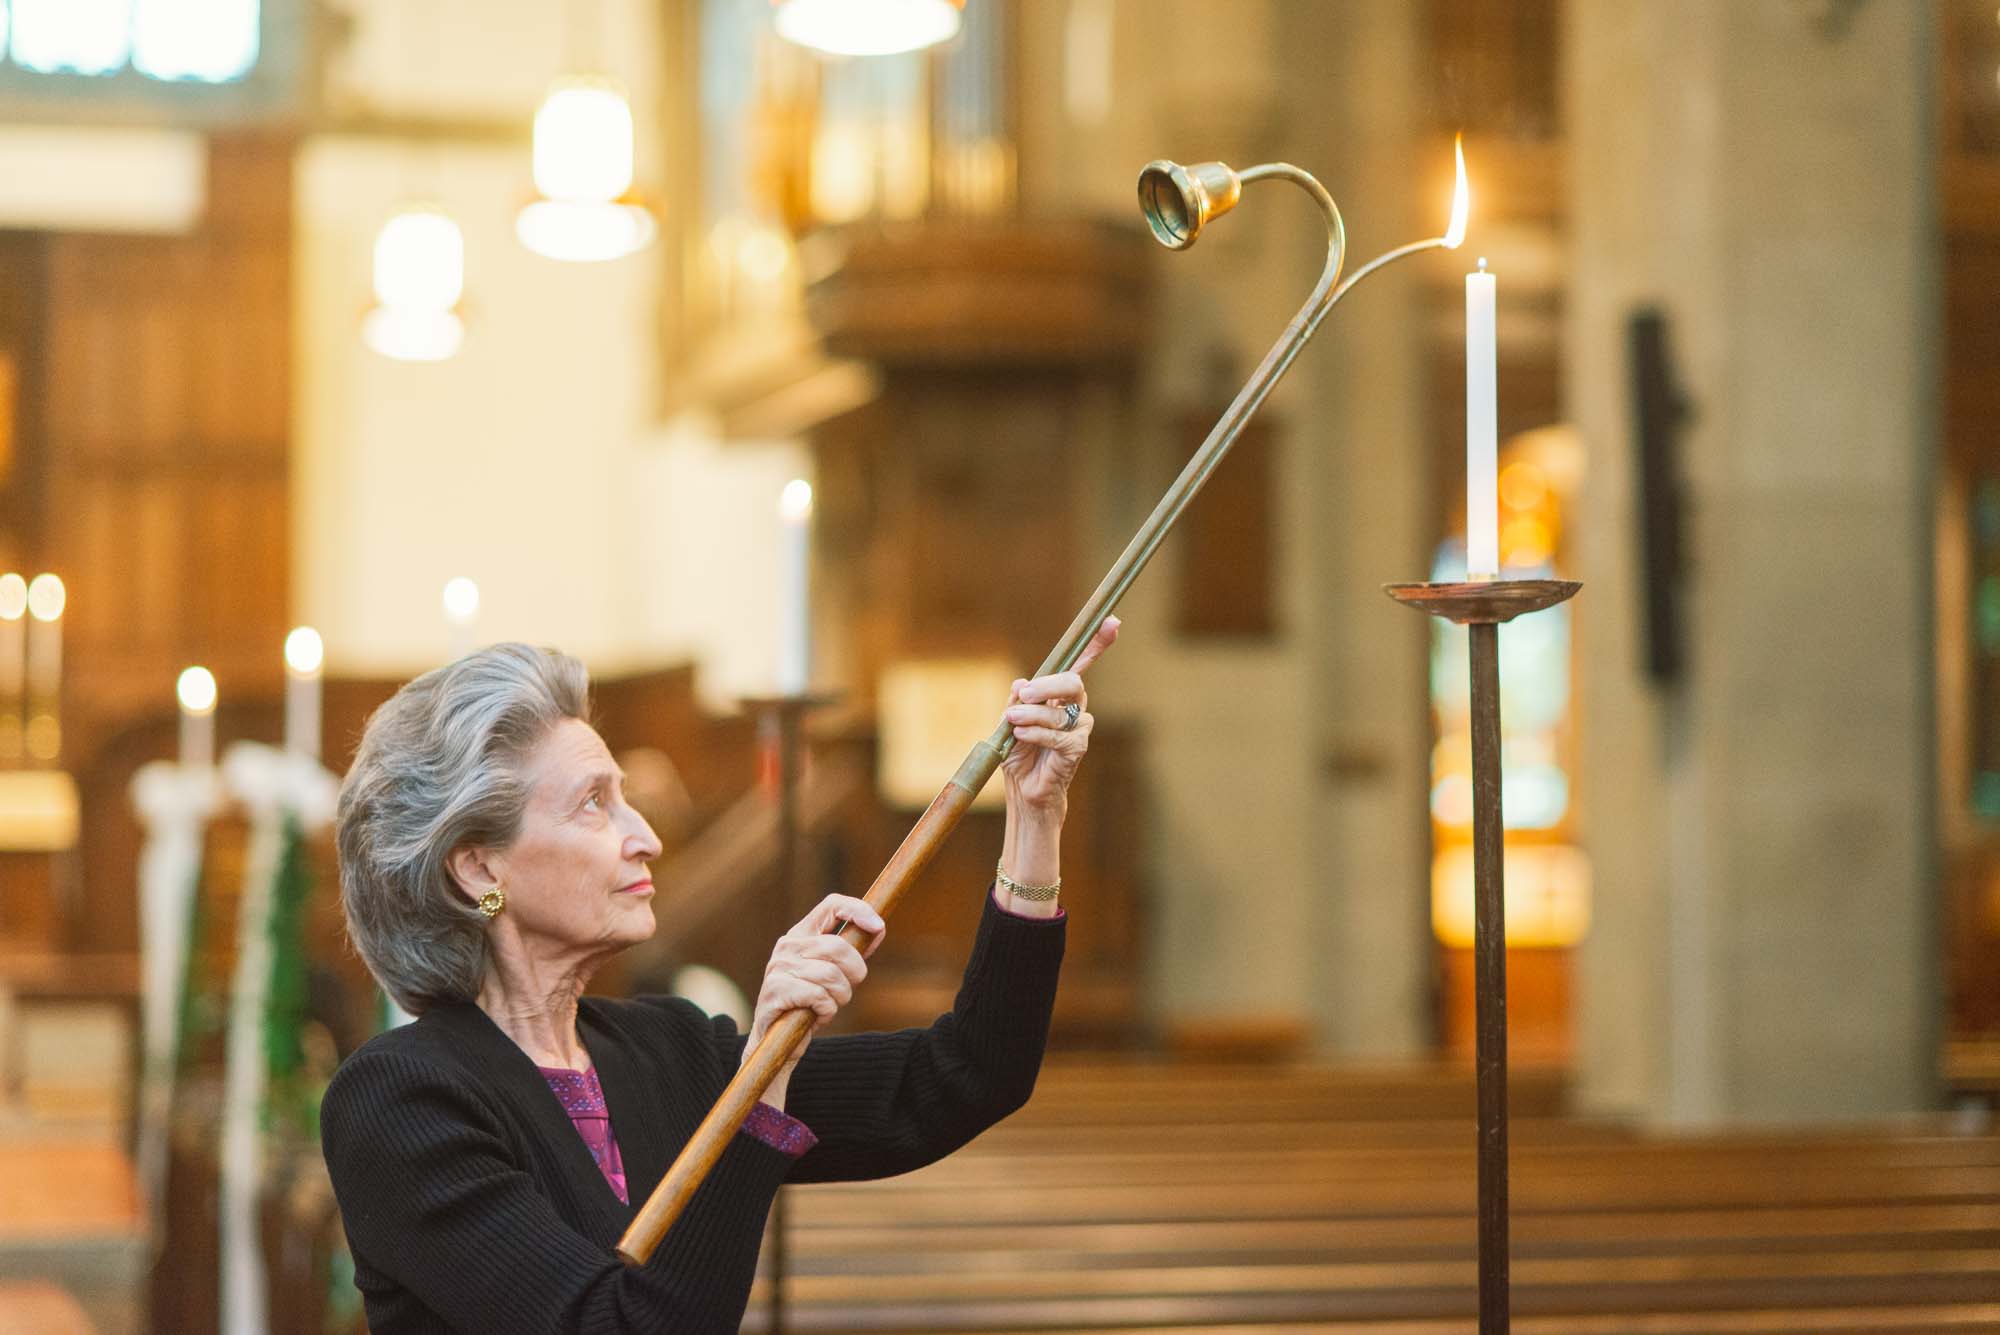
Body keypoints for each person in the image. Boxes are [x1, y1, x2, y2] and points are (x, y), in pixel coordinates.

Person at [320, 620, 1119, 1333]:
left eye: (626, 798)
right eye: (595, 803)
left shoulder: (666, 1049)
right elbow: (614, 1323)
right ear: (477, 867)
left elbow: (971, 1072)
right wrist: (760, 1091)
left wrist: (1035, 816)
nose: (645, 835)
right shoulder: (400, 1098)